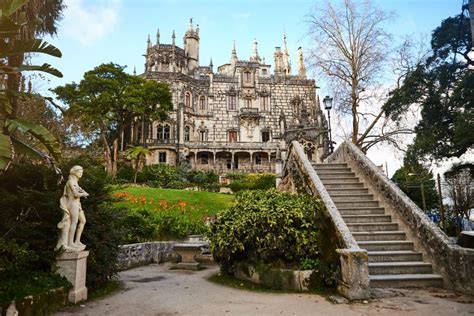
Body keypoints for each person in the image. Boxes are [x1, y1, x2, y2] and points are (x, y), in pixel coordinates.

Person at [55, 165, 89, 252]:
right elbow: (76, 194)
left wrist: (82, 192)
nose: (81, 173)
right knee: (74, 223)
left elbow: (78, 192)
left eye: (81, 172)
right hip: (72, 204)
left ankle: (77, 241)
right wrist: (84, 193)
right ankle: (70, 243)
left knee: (83, 221)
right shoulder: (70, 182)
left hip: (78, 205)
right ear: (74, 172)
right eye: (79, 171)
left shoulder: (75, 182)